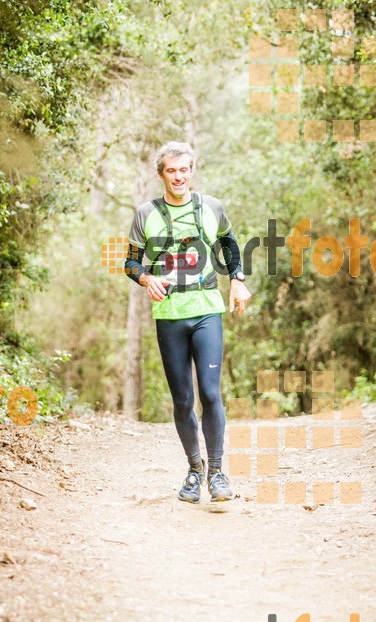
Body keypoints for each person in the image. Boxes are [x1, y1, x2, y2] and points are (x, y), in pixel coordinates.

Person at [124, 141, 251, 503]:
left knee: (210, 393)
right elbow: (131, 263)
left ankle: (217, 473)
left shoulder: (211, 207)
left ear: (191, 171)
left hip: (207, 310)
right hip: (169, 317)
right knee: (182, 400)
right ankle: (194, 471)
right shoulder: (144, 213)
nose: (178, 176)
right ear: (161, 173)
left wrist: (237, 280)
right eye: (171, 171)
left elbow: (228, 243)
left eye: (184, 170)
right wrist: (147, 279)